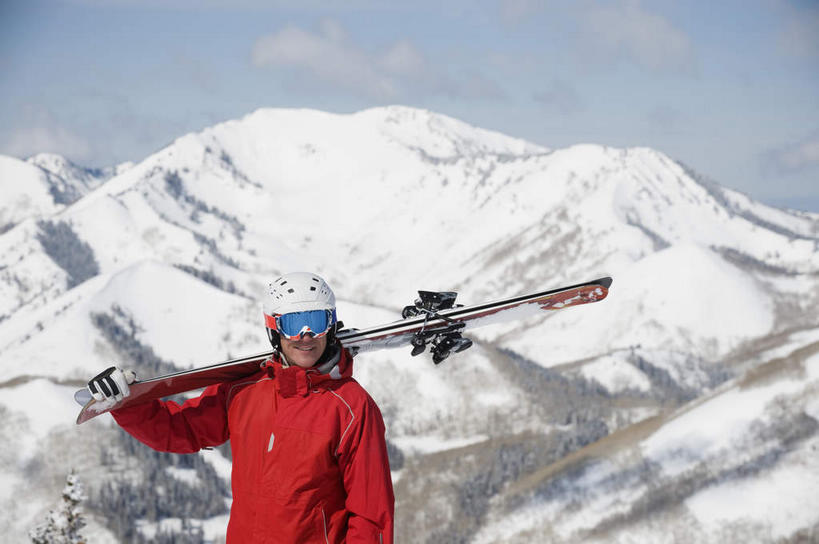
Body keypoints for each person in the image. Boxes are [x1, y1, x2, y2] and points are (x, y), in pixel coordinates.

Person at [87, 272, 395, 543]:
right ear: (273, 329)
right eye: (292, 324)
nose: (306, 336)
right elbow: (179, 430)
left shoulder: (352, 407)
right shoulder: (245, 391)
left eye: (315, 321)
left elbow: (371, 513)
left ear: (330, 324)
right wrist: (127, 404)